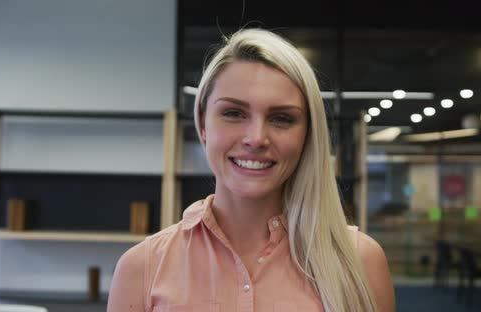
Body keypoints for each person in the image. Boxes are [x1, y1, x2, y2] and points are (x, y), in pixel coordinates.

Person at [108, 28, 395, 312]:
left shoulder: (360, 262)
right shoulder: (142, 269)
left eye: (281, 118)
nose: (256, 138)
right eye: (233, 113)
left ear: (308, 134)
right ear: (203, 124)